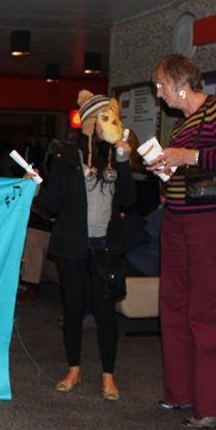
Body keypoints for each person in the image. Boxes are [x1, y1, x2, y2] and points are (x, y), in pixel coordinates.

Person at [147, 54, 216, 430]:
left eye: (161, 85)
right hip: (178, 220)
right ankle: (181, 392)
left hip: (211, 222)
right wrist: (167, 168)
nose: (158, 94)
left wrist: (185, 156)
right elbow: (192, 169)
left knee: (208, 309)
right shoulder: (184, 123)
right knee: (174, 307)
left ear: (180, 83)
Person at [33, 91, 135, 401]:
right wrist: (35, 183)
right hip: (72, 245)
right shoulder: (67, 155)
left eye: (113, 117)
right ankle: (74, 368)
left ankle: (108, 375)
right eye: (104, 117)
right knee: (74, 308)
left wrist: (125, 162)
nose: (111, 124)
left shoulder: (114, 156)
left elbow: (129, 200)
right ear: (90, 121)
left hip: (106, 246)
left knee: (105, 311)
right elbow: (52, 203)